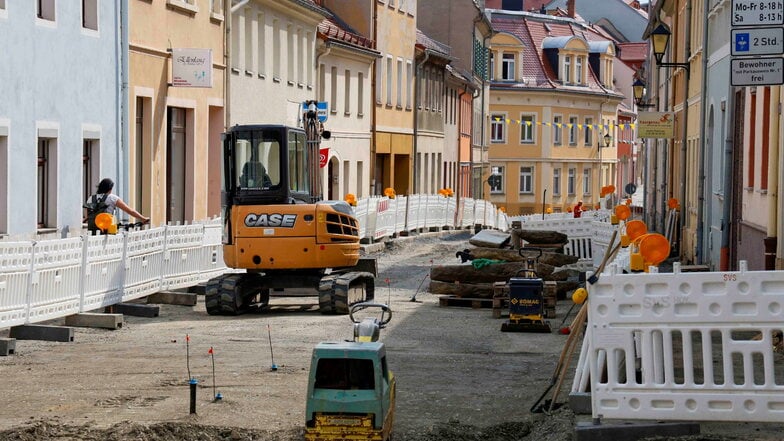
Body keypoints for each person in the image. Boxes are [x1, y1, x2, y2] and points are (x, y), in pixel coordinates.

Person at [85, 178, 149, 232]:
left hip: (92, 229)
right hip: (107, 229)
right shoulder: (112, 198)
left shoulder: (91, 198)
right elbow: (129, 210)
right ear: (110, 189)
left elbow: (87, 214)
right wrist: (143, 218)